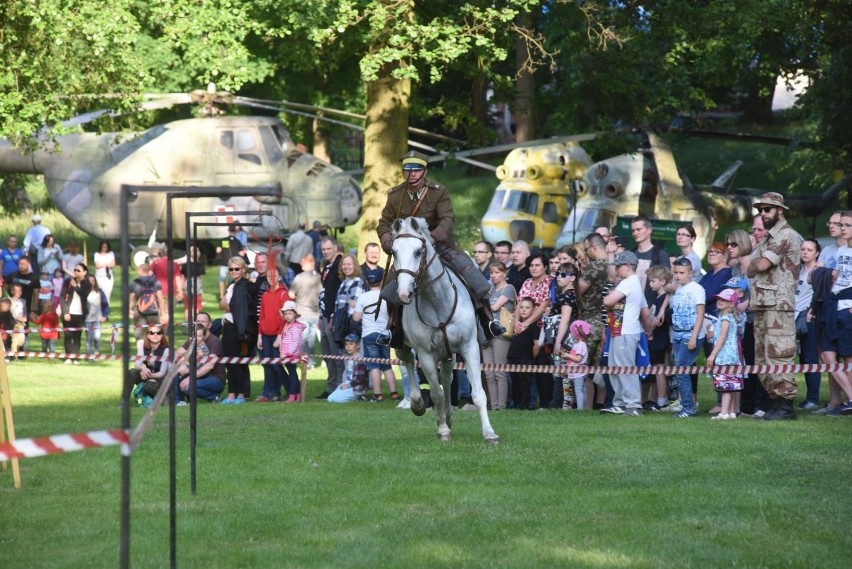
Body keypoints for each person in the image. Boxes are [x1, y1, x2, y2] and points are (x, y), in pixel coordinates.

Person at [376, 150, 504, 347]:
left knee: (471, 274)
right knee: (391, 288)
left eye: (417, 170)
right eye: (408, 170)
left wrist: (431, 238)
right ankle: (392, 329)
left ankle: (488, 321)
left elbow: (447, 219)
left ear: (425, 171)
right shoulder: (395, 195)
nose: (412, 174)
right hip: (410, 253)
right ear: (403, 172)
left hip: (441, 246)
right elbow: (384, 224)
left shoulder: (438, 191)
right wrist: (389, 243)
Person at [746, 193, 803, 420]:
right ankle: (773, 402)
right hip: (762, 302)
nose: (763, 214)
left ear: (779, 210)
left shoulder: (786, 235)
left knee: (779, 354)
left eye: (767, 210)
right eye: (761, 210)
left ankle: (785, 406)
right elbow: (753, 267)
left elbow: (759, 264)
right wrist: (753, 266)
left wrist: (753, 265)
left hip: (779, 303)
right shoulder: (766, 238)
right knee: (763, 356)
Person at [816, 210, 852, 416]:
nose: (843, 228)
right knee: (827, 354)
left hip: (848, 306)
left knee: (848, 356)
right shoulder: (841, 252)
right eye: (842, 225)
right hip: (833, 305)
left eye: (847, 225)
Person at [603, 251, 646, 416]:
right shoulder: (633, 282)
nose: (616, 270)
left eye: (618, 266)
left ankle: (634, 405)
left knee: (625, 368)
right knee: (615, 367)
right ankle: (620, 403)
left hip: (625, 331)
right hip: (620, 330)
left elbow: (607, 301)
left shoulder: (628, 283)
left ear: (627, 267)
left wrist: (608, 300)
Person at [352, 267, 400, 403]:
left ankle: (378, 394)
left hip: (368, 334)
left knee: (373, 365)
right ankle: (394, 393)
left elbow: (356, 318)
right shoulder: (386, 296)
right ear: (382, 281)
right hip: (384, 334)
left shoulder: (363, 297)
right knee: (386, 364)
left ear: (367, 281)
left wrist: (355, 307)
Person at [577, 232, 612, 409]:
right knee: (601, 366)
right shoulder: (613, 266)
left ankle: (586, 405)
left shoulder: (594, 267)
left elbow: (579, 290)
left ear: (595, 247)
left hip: (589, 320)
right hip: (607, 320)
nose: (585, 253)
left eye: (586, 249)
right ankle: (601, 403)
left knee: (584, 364)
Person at [669, 257, 706, 417]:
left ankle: (688, 408)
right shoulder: (679, 289)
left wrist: (693, 337)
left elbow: (700, 314)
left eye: (682, 273)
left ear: (690, 273)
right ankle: (687, 406)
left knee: (682, 372)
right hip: (678, 334)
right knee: (680, 371)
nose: (678, 276)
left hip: (690, 334)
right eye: (676, 272)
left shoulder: (696, 289)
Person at [220, 257, 255, 405]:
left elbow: (238, 308)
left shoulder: (243, 286)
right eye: (231, 269)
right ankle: (232, 394)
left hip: (237, 328)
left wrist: (242, 333)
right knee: (229, 362)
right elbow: (223, 303)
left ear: (243, 269)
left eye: (237, 269)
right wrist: (224, 304)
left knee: (237, 363)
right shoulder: (232, 285)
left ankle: (241, 394)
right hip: (228, 326)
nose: (234, 271)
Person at [705, 289, 745, 420]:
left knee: (725, 386)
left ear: (732, 304)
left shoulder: (725, 318)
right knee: (732, 385)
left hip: (725, 356)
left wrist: (712, 355)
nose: (719, 301)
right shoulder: (729, 318)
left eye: (724, 300)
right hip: (733, 356)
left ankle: (723, 413)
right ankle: (732, 411)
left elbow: (722, 338)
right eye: (719, 299)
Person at [482, 261, 515, 411]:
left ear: (504, 273)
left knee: (500, 371)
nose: (493, 275)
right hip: (487, 333)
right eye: (492, 273)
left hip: (501, 333)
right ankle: (493, 405)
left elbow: (494, 307)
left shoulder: (508, 289)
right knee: (489, 372)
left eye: (497, 272)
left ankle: (501, 406)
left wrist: (482, 302)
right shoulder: (490, 290)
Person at [255, 268, 290, 402]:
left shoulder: (283, 294)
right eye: (269, 275)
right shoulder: (265, 295)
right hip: (265, 335)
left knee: (277, 365)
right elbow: (261, 316)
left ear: (280, 276)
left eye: (274, 275)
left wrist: (280, 336)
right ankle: (271, 393)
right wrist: (259, 335)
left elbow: (286, 318)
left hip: (277, 335)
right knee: (268, 365)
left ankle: (290, 390)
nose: (271, 277)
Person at [795, 238, 822, 410]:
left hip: (809, 317)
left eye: (809, 250)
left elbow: (821, 294)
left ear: (817, 253)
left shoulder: (818, 271)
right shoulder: (797, 271)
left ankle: (813, 399)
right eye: (803, 249)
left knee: (810, 357)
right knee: (802, 358)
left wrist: (812, 310)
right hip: (794, 316)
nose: (805, 252)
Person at [176, 312, 226, 403]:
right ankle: (180, 402)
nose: (199, 323)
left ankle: (214, 397)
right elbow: (178, 354)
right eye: (197, 321)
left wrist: (189, 378)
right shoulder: (193, 339)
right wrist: (182, 365)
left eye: (203, 321)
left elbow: (209, 366)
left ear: (210, 325)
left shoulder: (214, 341)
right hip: (200, 374)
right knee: (175, 371)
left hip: (215, 379)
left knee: (189, 386)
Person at [316, 236, 343, 398]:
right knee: (326, 354)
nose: (326, 252)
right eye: (323, 249)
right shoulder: (326, 266)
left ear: (335, 247)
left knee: (336, 354)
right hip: (324, 315)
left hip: (335, 316)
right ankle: (331, 386)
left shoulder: (341, 262)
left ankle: (340, 386)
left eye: (328, 248)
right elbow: (325, 292)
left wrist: (335, 315)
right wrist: (321, 316)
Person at [646, 265, 673, 410]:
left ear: (663, 281)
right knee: (657, 370)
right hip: (657, 338)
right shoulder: (659, 298)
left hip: (659, 338)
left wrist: (649, 330)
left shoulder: (663, 299)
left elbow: (657, 320)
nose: (650, 283)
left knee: (659, 369)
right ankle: (658, 398)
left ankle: (661, 400)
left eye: (653, 281)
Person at [629, 215, 671, 307]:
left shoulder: (660, 254)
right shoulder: (630, 254)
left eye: (639, 229)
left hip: (651, 308)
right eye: (633, 230)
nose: (635, 233)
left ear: (649, 230)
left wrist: (660, 310)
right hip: (630, 307)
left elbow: (667, 286)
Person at [507, 297, 540, 410]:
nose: (524, 310)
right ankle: (515, 404)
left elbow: (537, 345)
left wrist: (531, 358)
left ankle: (524, 405)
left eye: (527, 307)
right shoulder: (517, 326)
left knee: (524, 384)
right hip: (513, 358)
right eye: (521, 307)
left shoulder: (534, 327)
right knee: (514, 383)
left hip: (526, 359)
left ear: (533, 310)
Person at [289, 254, 321, 368]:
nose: (300, 264)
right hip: (315, 313)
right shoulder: (319, 277)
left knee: (303, 339)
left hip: (302, 312)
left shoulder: (299, 277)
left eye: (302, 262)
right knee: (311, 340)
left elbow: (291, 294)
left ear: (309, 262)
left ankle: (304, 362)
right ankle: (311, 361)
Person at [58, 263, 92, 364]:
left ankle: (75, 357)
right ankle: (68, 357)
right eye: (75, 270)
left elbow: (84, 295)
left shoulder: (87, 284)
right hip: (68, 312)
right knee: (68, 335)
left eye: (79, 270)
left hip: (80, 314)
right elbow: (62, 297)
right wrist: (65, 312)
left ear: (85, 272)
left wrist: (76, 286)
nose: (76, 272)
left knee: (77, 336)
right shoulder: (68, 281)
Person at [127, 324, 171, 400]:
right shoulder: (142, 345)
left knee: (149, 386)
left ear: (162, 335)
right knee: (131, 372)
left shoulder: (166, 350)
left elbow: (162, 373)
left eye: (159, 333)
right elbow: (137, 364)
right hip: (146, 375)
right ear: (147, 335)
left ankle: (165, 399)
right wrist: (143, 368)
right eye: (152, 333)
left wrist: (147, 375)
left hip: (161, 379)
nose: (155, 335)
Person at [276, 300, 306, 403]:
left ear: (295, 314)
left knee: (292, 374)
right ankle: (297, 395)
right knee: (292, 373)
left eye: (290, 313)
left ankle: (292, 396)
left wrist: (287, 353)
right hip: (285, 354)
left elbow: (295, 343)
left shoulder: (296, 327)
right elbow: (284, 340)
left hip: (292, 355)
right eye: (286, 314)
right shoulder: (286, 325)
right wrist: (281, 351)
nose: (288, 316)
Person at [128, 263, 166, 340]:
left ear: (140, 270)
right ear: (149, 271)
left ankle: (141, 350)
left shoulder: (135, 282)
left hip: (139, 312)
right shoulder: (156, 282)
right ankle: (153, 350)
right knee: (155, 332)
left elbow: (130, 299)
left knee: (139, 335)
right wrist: (163, 313)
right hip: (153, 311)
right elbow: (160, 299)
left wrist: (129, 310)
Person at [327, 333, 368, 403]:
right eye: (346, 344)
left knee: (335, 400)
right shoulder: (346, 358)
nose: (348, 346)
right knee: (330, 399)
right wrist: (345, 385)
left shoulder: (360, 359)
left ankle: (359, 397)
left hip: (355, 388)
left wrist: (348, 385)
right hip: (346, 385)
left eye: (351, 344)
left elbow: (359, 378)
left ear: (358, 346)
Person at [561, 319, 591, 410]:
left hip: (579, 372)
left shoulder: (581, 345)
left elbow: (578, 359)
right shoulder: (577, 344)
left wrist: (568, 355)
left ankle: (580, 409)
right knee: (581, 390)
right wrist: (567, 357)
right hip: (575, 372)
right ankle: (583, 408)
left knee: (579, 391)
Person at [215, 224, 245, 299]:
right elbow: (241, 253)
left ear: (228, 230)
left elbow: (218, 250)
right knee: (233, 280)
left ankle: (222, 296)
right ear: (235, 231)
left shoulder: (223, 240)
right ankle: (231, 295)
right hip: (233, 265)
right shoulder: (237, 241)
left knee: (222, 279)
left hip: (224, 263)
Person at [84, 274, 108, 360]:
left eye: (93, 281)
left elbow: (105, 304)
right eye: (89, 281)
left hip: (98, 318)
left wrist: (105, 315)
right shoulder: (84, 292)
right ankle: (89, 355)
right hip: (87, 319)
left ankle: (97, 352)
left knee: (97, 337)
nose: (91, 283)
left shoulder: (100, 292)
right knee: (89, 338)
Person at [93, 240, 116, 307]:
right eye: (103, 247)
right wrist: (107, 264)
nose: (104, 248)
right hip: (99, 277)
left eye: (106, 247)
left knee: (107, 293)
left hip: (108, 277)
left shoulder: (111, 254)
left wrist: (102, 264)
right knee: (99, 293)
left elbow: (112, 264)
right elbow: (97, 265)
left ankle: (106, 311)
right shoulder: (96, 254)